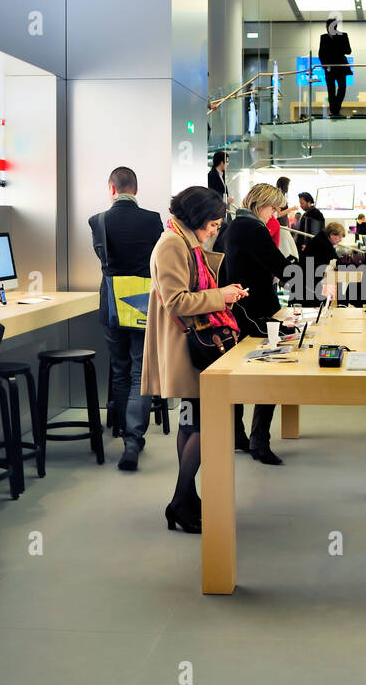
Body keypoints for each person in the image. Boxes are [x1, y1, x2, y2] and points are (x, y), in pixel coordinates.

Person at [142, 187, 248, 534]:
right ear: (197, 219)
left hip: (189, 342)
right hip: (185, 344)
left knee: (191, 422)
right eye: (213, 224)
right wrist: (221, 296)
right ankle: (180, 501)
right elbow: (177, 301)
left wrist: (222, 294)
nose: (215, 231)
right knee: (201, 423)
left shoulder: (182, 240)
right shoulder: (173, 244)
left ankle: (186, 499)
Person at [89, 165, 163, 472]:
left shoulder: (98, 221)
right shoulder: (152, 219)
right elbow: (158, 260)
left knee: (119, 371)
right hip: (142, 304)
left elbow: (103, 259)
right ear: (135, 189)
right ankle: (133, 439)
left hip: (111, 306)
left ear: (111, 189)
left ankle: (123, 435)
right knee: (138, 374)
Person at [216, 183, 289, 465]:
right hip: (258, 312)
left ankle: (237, 434)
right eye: (273, 209)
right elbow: (281, 267)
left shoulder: (231, 227)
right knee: (267, 376)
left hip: (235, 311)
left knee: (238, 373)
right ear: (262, 205)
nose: (274, 216)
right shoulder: (255, 228)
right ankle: (260, 442)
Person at [296, 221, 346, 305]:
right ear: (332, 235)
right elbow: (338, 261)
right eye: (339, 237)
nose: (340, 240)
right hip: (308, 281)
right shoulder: (325, 244)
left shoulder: (321, 238)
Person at [318, 13, 352, 117]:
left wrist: (338, 45)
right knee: (331, 90)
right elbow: (321, 54)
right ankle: (334, 110)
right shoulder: (324, 38)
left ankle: (336, 108)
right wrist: (325, 66)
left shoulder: (343, 36)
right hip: (329, 68)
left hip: (341, 67)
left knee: (342, 88)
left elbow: (348, 51)